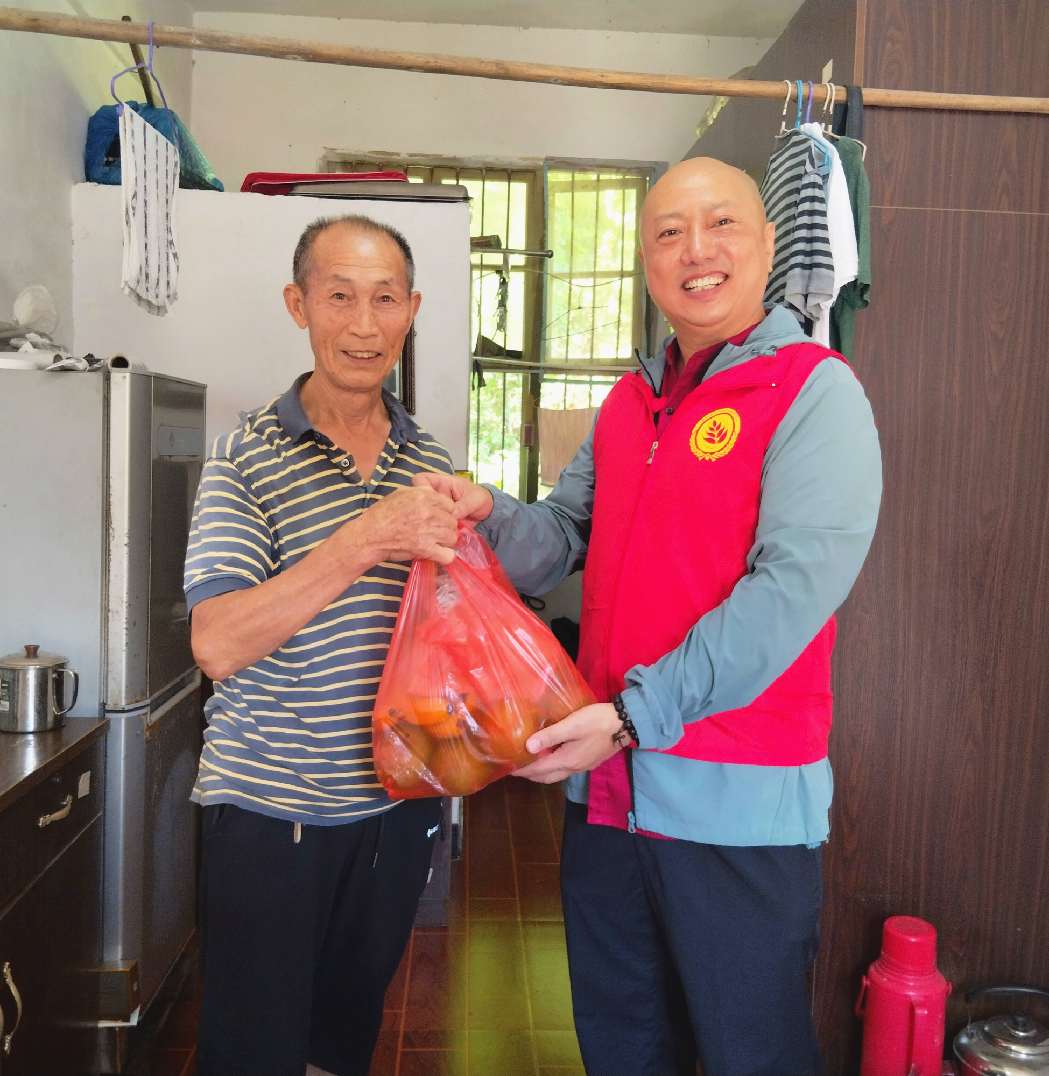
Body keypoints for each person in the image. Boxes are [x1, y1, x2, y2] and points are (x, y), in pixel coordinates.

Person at [415, 157, 882, 1075]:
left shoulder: (815, 392)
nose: (694, 250)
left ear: (767, 245)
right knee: (622, 1046)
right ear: (644, 260)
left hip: (736, 815)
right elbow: (561, 537)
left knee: (748, 1055)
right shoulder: (631, 404)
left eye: (720, 224)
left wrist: (631, 717)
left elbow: (789, 595)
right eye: (668, 232)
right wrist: (486, 512)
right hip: (608, 803)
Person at [184, 214, 460, 1076]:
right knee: (253, 1052)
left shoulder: (429, 462)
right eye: (339, 297)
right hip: (271, 816)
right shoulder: (244, 458)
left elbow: (447, 630)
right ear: (298, 305)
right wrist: (365, 539)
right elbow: (217, 642)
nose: (363, 325)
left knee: (342, 1044)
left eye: (385, 299)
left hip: (396, 811)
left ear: (412, 309)